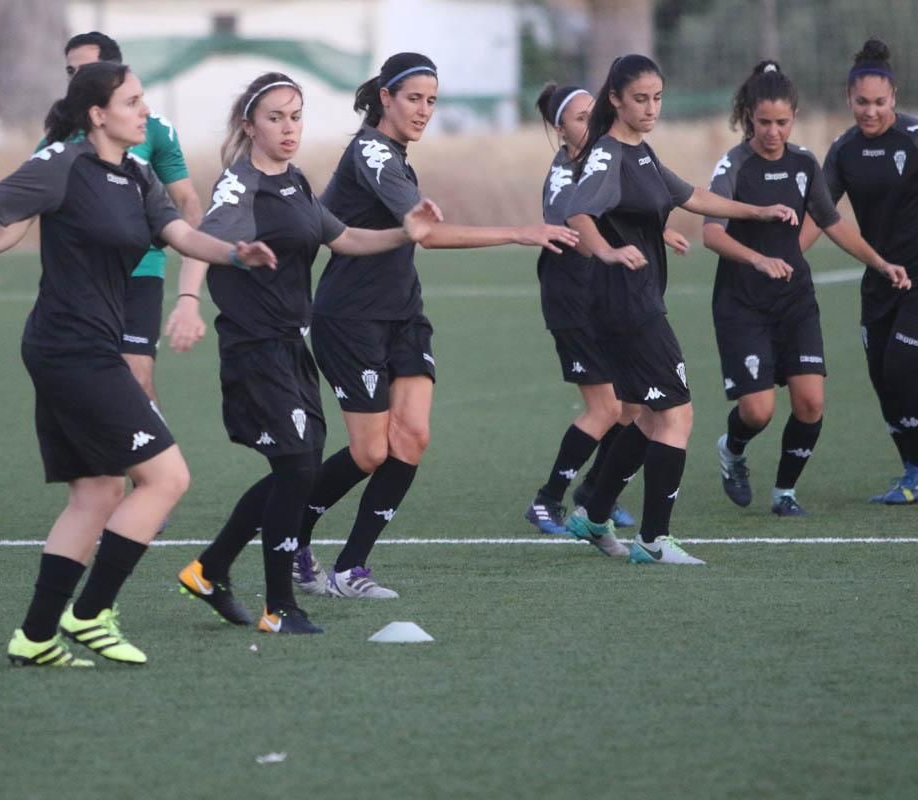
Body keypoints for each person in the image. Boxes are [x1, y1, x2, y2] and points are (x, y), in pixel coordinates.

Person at [0, 62, 275, 666]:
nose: (144, 111)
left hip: (83, 345)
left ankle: (37, 635)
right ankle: (91, 612)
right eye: (132, 101)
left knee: (96, 495)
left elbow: (180, 232)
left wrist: (235, 253)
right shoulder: (62, 164)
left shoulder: (139, 174)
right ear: (98, 114)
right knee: (167, 477)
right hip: (72, 349)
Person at [290, 52, 579, 598]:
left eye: (432, 101)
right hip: (351, 319)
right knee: (371, 450)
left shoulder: (392, 153)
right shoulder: (373, 152)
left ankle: (351, 569)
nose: (424, 110)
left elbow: (323, 220)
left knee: (413, 438)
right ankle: (291, 539)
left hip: (403, 314)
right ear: (386, 98)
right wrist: (521, 231)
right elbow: (424, 233)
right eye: (414, 99)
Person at [164, 74, 441, 632]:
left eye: (296, 116)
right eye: (275, 118)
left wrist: (405, 232)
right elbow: (202, 239)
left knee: (301, 467)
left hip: (292, 344)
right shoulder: (240, 186)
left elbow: (343, 237)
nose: (289, 128)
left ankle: (211, 568)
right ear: (250, 125)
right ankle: (279, 607)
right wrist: (189, 300)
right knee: (296, 468)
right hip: (254, 346)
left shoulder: (294, 182)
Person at [561, 54, 799, 565]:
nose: (651, 108)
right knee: (678, 413)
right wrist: (604, 249)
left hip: (635, 301)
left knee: (648, 415)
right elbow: (577, 210)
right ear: (616, 101)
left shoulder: (640, 153)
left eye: (657, 98)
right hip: (626, 305)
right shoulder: (608, 155)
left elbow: (691, 196)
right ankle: (653, 540)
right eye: (640, 99)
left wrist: (757, 211)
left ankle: (593, 513)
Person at [705, 60, 909, 516]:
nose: (773, 132)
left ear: (793, 116)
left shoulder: (803, 164)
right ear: (749, 118)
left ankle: (784, 493)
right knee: (758, 412)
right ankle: (732, 449)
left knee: (811, 402)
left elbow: (831, 221)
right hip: (743, 303)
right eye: (764, 123)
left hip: (794, 301)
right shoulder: (734, 165)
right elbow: (711, 233)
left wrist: (880, 263)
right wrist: (758, 258)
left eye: (782, 122)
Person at [0, 32, 203, 409]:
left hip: (141, 271)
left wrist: (194, 277)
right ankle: (107, 465)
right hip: (84, 281)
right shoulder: (59, 140)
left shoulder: (152, 128)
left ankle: (154, 467)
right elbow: (25, 205)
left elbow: (187, 201)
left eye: (84, 69)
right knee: (91, 387)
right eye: (70, 71)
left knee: (136, 375)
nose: (74, 78)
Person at [523, 82, 687, 547]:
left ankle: (597, 492)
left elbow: (621, 207)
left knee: (634, 405)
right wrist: (612, 247)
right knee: (608, 407)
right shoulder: (565, 174)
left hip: (604, 301)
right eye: (579, 118)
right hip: (574, 301)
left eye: (593, 114)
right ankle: (548, 498)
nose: (590, 123)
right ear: (561, 129)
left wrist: (659, 229)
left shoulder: (604, 159)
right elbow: (577, 221)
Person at [800, 39, 918, 504]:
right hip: (879, 276)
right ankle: (912, 470)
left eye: (880, 102)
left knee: (902, 364)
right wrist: (788, 258)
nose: (870, 112)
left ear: (894, 97)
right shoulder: (844, 150)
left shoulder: (913, 138)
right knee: (881, 376)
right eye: (862, 103)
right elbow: (820, 212)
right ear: (849, 99)